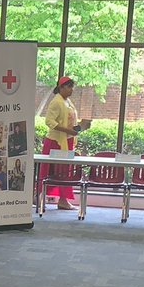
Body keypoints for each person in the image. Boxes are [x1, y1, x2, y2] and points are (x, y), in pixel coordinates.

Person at [41, 76, 90, 210]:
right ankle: (39, 196)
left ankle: (63, 200)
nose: (71, 90)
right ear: (61, 87)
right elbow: (49, 122)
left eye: (72, 87)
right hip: (55, 142)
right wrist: (68, 130)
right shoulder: (56, 102)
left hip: (66, 141)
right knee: (48, 172)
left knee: (64, 172)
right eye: (69, 87)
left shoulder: (67, 101)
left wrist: (79, 127)